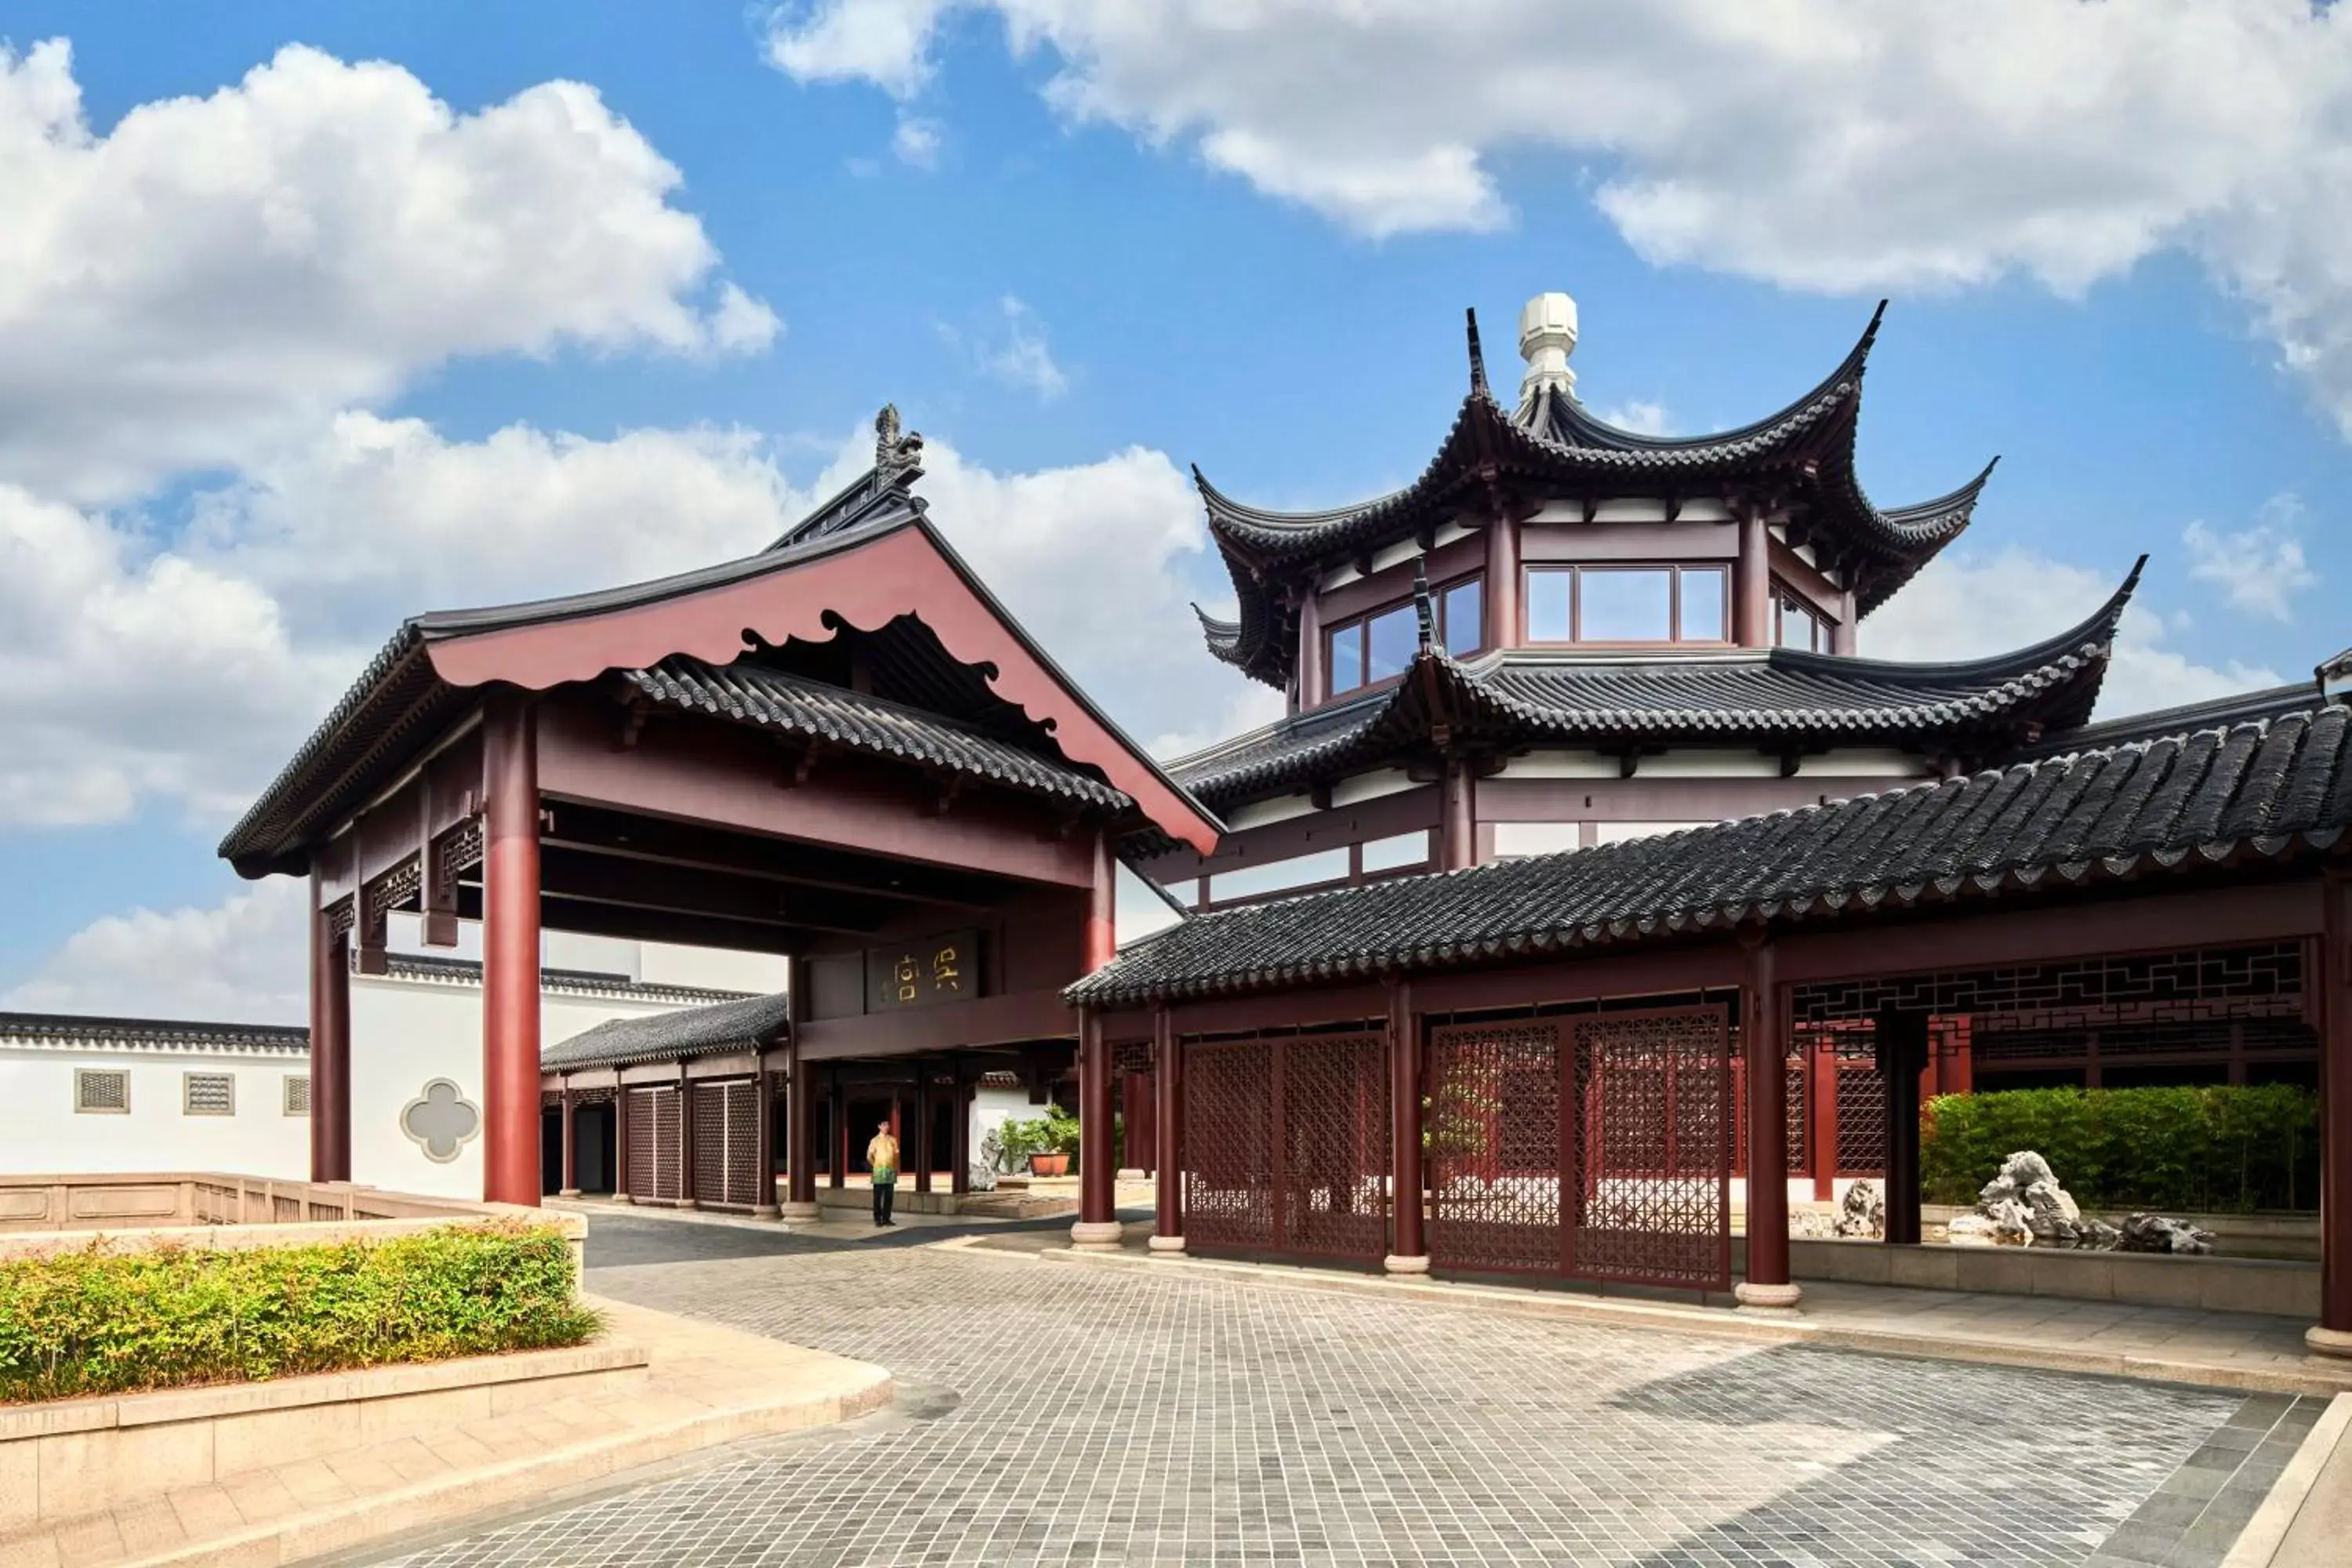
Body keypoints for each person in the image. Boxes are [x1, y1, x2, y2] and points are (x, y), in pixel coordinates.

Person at [866, 1120, 900, 1227]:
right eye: (884, 1125)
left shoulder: (892, 1140)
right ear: (879, 1126)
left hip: (890, 1170)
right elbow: (869, 1156)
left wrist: (895, 1167)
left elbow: (896, 1155)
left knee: (889, 1196)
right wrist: (875, 1165)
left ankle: (887, 1218)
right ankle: (878, 1218)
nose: (886, 1127)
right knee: (878, 1196)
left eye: (888, 1125)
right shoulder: (874, 1141)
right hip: (878, 1170)